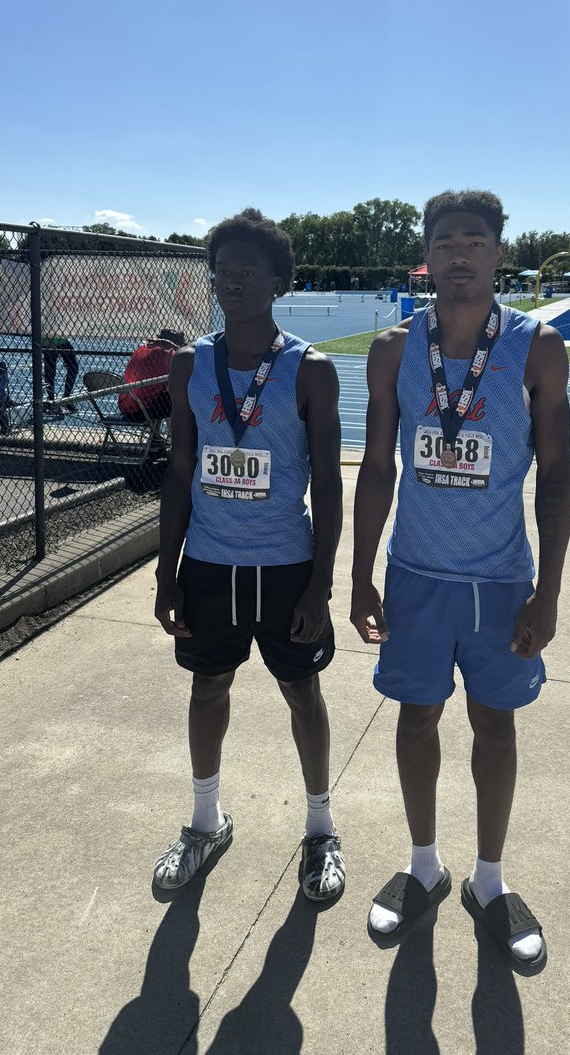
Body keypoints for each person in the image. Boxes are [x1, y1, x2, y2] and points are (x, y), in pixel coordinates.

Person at [350, 190, 570, 972]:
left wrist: (549, 590)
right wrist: (359, 574)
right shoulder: (393, 350)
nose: (459, 255)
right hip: (415, 575)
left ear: (499, 254)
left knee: (495, 728)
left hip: (500, 580)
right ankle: (424, 868)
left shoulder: (537, 347)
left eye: (475, 241)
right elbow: (377, 467)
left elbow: (555, 474)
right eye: (445, 242)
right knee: (416, 720)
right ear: (427, 255)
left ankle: (489, 880)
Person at [152, 209, 346, 902]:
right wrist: (166, 570)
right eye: (223, 270)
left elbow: (329, 483)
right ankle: (205, 822)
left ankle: (321, 830)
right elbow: (180, 470)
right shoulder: (188, 364)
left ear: (278, 282)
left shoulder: (309, 371)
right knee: (207, 688)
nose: (232, 281)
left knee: (302, 693)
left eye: (248, 270)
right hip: (209, 565)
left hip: (285, 566)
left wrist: (321, 584)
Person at [118, 329, 185, 421]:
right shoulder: (169, 353)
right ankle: (177, 430)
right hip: (143, 410)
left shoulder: (141, 349)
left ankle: (164, 429)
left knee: (165, 395)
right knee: (183, 399)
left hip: (126, 407)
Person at [43, 335, 79, 414]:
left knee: (73, 367)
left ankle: (65, 397)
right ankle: (52, 400)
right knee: (50, 371)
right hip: (48, 340)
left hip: (61, 339)